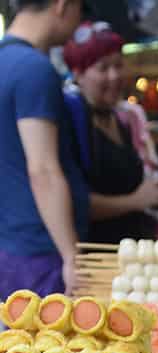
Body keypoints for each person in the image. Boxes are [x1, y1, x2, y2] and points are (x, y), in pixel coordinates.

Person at [0, 0, 87, 297]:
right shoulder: (34, 70)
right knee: (51, 342)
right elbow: (43, 169)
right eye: (81, 9)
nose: (79, 21)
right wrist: (70, 255)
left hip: (12, 245)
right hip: (42, 251)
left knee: (22, 340)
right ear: (63, 5)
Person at [63, 22, 158, 245]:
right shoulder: (70, 121)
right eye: (103, 68)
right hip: (97, 258)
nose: (115, 76)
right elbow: (72, 202)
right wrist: (136, 201)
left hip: (135, 250)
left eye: (119, 65)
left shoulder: (124, 117)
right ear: (78, 73)